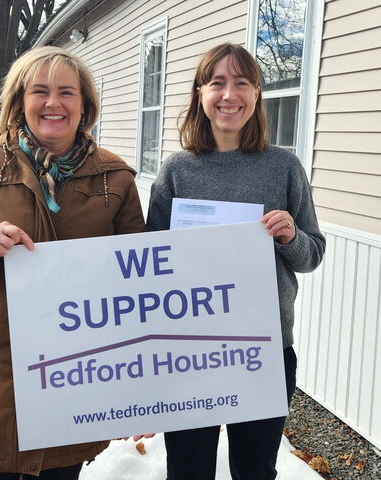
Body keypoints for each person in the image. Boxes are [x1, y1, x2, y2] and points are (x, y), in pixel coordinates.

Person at [0, 46, 145, 479]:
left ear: (85, 105)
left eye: (66, 92)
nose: (53, 103)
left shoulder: (116, 179)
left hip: (76, 370)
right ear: (20, 100)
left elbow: (136, 279)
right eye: (40, 91)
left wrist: (140, 379)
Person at [145, 43, 326, 480]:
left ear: (258, 93)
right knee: (188, 470)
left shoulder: (284, 167)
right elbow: (151, 260)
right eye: (218, 83)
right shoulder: (177, 170)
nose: (230, 95)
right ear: (200, 94)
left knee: (255, 470)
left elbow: (312, 254)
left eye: (242, 83)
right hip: (189, 350)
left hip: (261, 348)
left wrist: (289, 236)